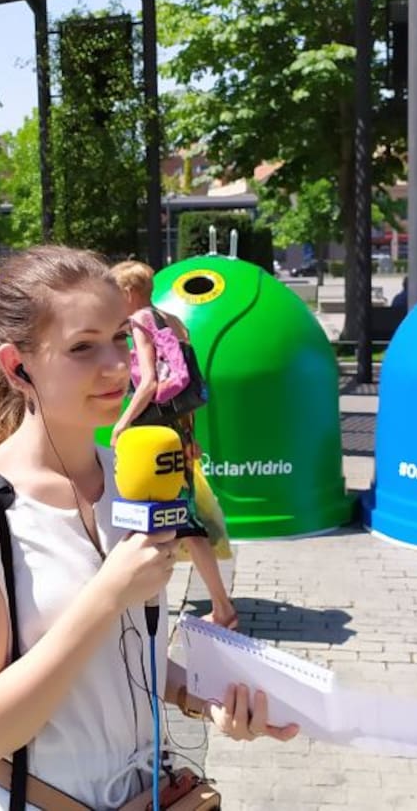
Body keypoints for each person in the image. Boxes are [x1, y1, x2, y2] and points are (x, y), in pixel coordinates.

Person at [0, 246, 297, 810]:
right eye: (82, 347)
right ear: (17, 367)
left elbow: (123, 655)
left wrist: (202, 698)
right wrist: (107, 594)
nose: (118, 365)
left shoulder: (131, 478)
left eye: (121, 338)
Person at [108, 260, 239, 632]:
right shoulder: (174, 322)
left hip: (154, 431)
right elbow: (186, 384)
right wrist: (190, 436)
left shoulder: (140, 321)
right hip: (177, 429)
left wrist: (122, 423)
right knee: (180, 518)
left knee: (170, 518)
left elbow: (150, 382)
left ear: (128, 292)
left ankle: (221, 608)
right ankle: (208, 604)